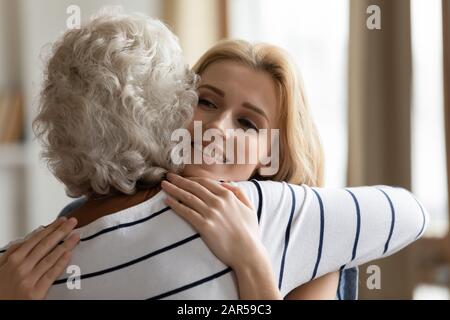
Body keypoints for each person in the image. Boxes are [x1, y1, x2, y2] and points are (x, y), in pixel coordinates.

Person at [0, 10, 428, 300]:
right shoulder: (91, 214)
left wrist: (251, 260)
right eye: (206, 101)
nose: (217, 128)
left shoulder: (296, 229)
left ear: (269, 153)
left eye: (248, 123)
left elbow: (410, 211)